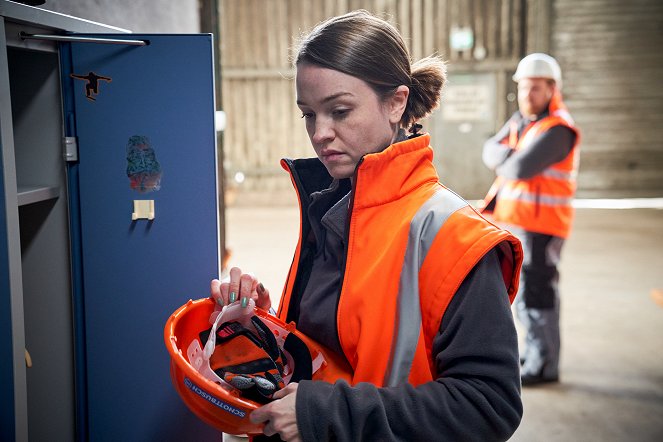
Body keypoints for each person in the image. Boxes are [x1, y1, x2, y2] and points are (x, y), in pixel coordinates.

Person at [212, 10, 524, 441]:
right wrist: (261, 327)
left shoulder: (454, 237)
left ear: (396, 103)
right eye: (308, 114)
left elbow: (488, 406)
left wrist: (327, 414)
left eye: (340, 111)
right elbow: (332, 355)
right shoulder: (333, 206)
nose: (320, 133)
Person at [481, 53, 580, 386]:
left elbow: (518, 168)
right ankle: (536, 351)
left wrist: (506, 158)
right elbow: (488, 149)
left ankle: (545, 365)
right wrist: (506, 157)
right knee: (523, 295)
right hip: (519, 223)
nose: (527, 95)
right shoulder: (523, 121)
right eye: (523, 88)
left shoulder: (558, 129)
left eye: (535, 88)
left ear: (552, 89)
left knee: (538, 294)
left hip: (542, 227)